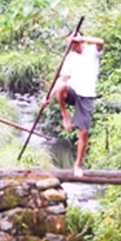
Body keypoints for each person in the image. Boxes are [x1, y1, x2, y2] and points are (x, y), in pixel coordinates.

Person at [47, 31, 104, 177]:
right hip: (72, 91)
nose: (70, 45)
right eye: (69, 42)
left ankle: (77, 164)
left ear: (78, 41)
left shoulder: (92, 51)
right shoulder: (70, 57)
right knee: (61, 87)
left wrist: (81, 38)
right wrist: (47, 97)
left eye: (72, 42)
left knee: (83, 132)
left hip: (87, 95)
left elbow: (100, 41)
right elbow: (62, 79)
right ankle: (65, 116)